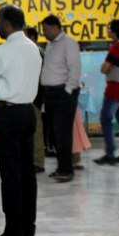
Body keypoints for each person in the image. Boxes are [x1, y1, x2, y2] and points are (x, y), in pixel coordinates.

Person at [0, 4, 42, 236]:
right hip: (28, 112)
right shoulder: (34, 48)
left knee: (11, 175)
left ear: (5, 23)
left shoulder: (3, 51)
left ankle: (13, 232)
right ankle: (28, 229)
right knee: (27, 173)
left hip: (8, 115)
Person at [40, 14, 82, 182]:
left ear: (55, 27)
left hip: (63, 92)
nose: (44, 33)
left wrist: (68, 91)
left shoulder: (69, 43)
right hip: (50, 93)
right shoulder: (50, 45)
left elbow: (75, 68)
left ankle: (67, 169)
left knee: (62, 132)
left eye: (46, 30)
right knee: (53, 133)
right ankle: (61, 167)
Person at [94, 19, 119, 165]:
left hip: (115, 89)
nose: (107, 31)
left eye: (109, 29)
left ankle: (110, 153)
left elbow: (104, 69)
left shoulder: (116, 47)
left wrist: (105, 67)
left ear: (115, 32)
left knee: (106, 119)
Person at [22, 27, 47, 173]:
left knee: (37, 131)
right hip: (30, 96)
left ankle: (38, 162)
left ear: (32, 38)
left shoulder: (38, 53)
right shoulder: (32, 52)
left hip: (36, 97)